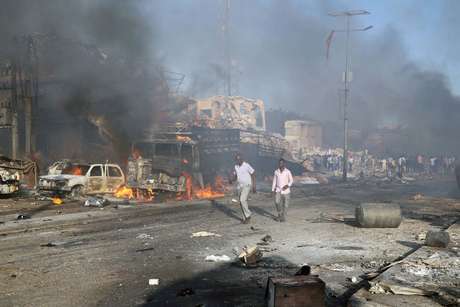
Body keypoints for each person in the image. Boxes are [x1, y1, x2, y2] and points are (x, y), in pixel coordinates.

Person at [231, 153, 256, 223]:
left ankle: (248, 215)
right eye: (237, 159)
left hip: (247, 185)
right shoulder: (235, 167)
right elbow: (235, 176)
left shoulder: (246, 165)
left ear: (242, 159)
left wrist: (254, 185)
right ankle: (244, 218)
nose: (238, 161)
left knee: (242, 200)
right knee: (241, 202)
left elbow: (253, 173)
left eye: (239, 159)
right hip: (239, 186)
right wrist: (231, 180)